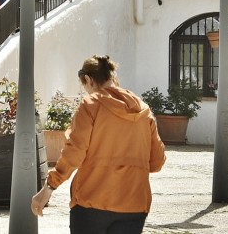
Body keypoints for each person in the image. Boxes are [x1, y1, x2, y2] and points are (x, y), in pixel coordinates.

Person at [31, 54, 166, 231]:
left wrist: (49, 187)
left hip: (91, 202)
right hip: (134, 204)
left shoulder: (90, 105)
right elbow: (157, 161)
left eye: (85, 86)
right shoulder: (144, 111)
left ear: (88, 79)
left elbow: (75, 152)